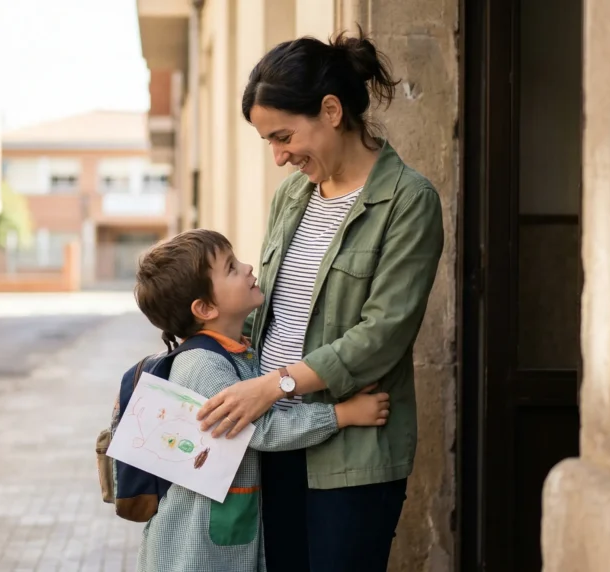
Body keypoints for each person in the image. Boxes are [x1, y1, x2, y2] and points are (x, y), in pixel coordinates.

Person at [194, 28, 445, 572]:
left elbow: (383, 335)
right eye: (270, 144)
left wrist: (276, 384)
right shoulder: (292, 195)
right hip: (273, 439)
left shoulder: (409, 201)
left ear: (331, 110)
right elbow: (272, 308)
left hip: (352, 456)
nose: (280, 157)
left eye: (284, 137)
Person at [133, 229, 391, 572]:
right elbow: (261, 430)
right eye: (230, 268)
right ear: (205, 308)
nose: (248, 267)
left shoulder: (239, 349)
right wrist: (341, 415)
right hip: (195, 551)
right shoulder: (202, 364)